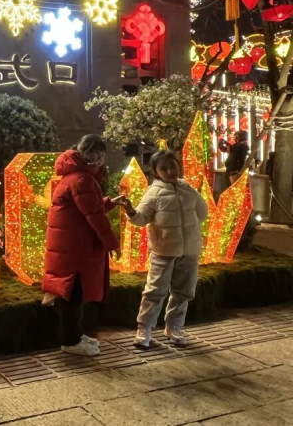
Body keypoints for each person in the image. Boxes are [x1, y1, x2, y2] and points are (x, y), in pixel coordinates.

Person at [42, 134, 124, 356]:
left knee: (71, 293)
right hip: (76, 248)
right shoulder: (82, 179)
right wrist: (113, 244)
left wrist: (109, 202)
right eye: (99, 154)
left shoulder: (73, 176)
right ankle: (70, 342)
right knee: (73, 294)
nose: (100, 159)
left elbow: (87, 207)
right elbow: (94, 215)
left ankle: (75, 338)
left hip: (69, 246)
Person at [122, 150, 208, 349]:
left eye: (173, 166)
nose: (170, 171)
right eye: (163, 168)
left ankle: (174, 327)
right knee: (154, 291)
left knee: (184, 291)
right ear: (155, 172)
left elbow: (202, 213)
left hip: (189, 250)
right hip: (163, 250)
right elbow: (141, 219)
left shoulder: (188, 189)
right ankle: (144, 328)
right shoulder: (153, 193)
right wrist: (130, 210)